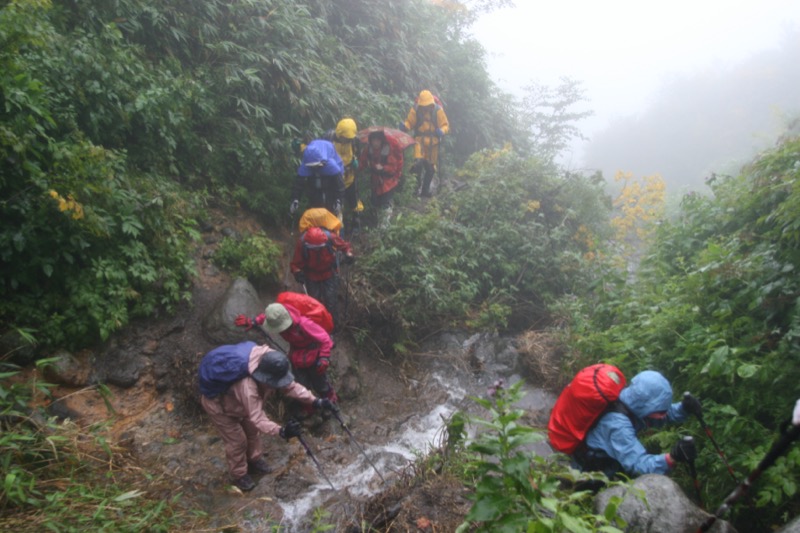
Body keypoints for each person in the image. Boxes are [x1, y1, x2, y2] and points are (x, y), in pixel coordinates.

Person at [199, 345, 336, 492]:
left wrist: (316, 401)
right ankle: (239, 474)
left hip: (240, 405)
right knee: (237, 441)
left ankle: (254, 459)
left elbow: (291, 387)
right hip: (220, 407)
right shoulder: (248, 388)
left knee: (252, 432)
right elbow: (258, 418)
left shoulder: (270, 366)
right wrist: (282, 431)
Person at [575, 370, 701, 478]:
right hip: (590, 473)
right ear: (647, 406)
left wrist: (683, 408)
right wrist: (672, 458)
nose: (664, 414)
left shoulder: (630, 402)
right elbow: (638, 465)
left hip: (609, 462)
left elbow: (661, 415)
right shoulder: (618, 425)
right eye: (661, 410)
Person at [261, 302, 338, 411]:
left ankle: (330, 401)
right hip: (296, 357)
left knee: (320, 382)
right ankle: (309, 405)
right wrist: (254, 321)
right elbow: (266, 318)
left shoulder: (304, 324)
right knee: (302, 383)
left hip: (313, 356)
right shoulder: (276, 318)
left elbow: (325, 338)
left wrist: (324, 357)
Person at [290, 225, 354, 329]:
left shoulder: (329, 237)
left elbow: (344, 246)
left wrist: (349, 254)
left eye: (319, 248)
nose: (316, 251)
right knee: (313, 303)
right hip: (311, 276)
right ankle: (316, 328)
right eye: (314, 249)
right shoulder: (302, 242)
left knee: (331, 301)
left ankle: (333, 327)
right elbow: (296, 263)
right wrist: (297, 272)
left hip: (328, 273)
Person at [399, 89, 449, 197]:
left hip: (433, 144)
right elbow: (410, 122)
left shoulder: (438, 110)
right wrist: (405, 126)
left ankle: (425, 191)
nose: (426, 108)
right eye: (424, 105)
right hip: (419, 142)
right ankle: (415, 189)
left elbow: (445, 125)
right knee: (417, 164)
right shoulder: (416, 109)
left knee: (430, 168)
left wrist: (442, 131)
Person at [324, 118, 363, 234]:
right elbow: (318, 149)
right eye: (345, 138)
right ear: (339, 133)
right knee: (336, 203)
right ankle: (338, 229)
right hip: (333, 178)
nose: (347, 140)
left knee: (354, 202)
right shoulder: (328, 138)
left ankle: (356, 225)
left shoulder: (355, 141)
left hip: (349, 177)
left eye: (349, 139)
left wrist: (356, 163)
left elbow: (358, 154)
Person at [290, 139, 345, 218]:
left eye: (316, 166)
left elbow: (339, 185)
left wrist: (339, 200)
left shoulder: (332, 165)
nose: (315, 168)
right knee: (314, 198)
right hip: (314, 186)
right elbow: (299, 184)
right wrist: (295, 199)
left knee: (332, 203)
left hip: (330, 183)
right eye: (312, 167)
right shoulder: (306, 165)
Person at [361, 130, 404, 228]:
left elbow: (394, 168)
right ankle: (376, 224)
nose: (375, 143)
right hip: (375, 181)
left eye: (378, 140)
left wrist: (383, 168)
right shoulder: (368, 150)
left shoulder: (388, 149)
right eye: (373, 140)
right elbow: (362, 162)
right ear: (370, 140)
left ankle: (384, 227)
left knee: (385, 203)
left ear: (382, 140)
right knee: (375, 202)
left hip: (388, 182)